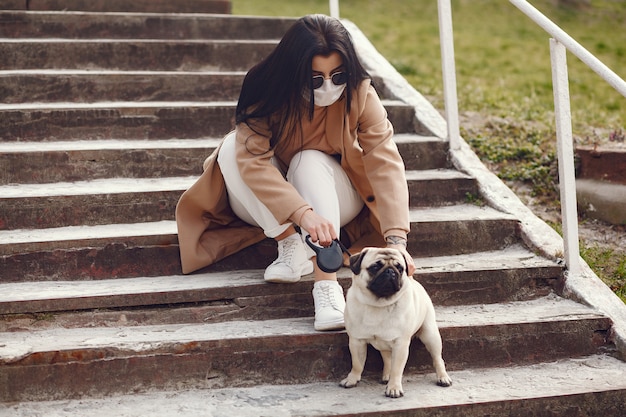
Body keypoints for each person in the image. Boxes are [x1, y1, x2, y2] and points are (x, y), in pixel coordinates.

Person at [176, 14, 415, 331]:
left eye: (338, 76)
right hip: (265, 211)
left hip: (334, 199)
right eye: (315, 79)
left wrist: (396, 239)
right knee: (233, 147)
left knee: (310, 159)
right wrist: (300, 216)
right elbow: (253, 163)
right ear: (293, 73)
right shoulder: (265, 89)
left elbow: (384, 160)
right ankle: (290, 245)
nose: (328, 86)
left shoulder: (360, 92)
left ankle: (327, 289)